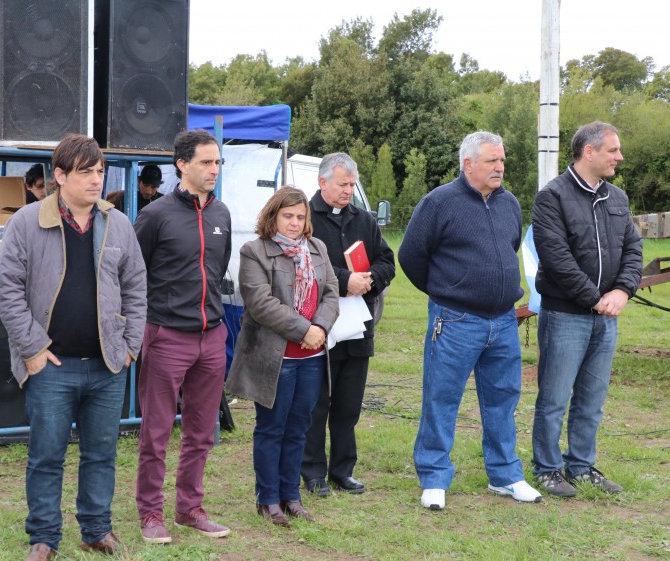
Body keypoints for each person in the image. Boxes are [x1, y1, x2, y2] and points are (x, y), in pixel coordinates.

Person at [0, 134, 147, 561]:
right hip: (50, 366)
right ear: (59, 176)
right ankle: (43, 538)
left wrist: (130, 345)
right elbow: (6, 291)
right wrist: (34, 349)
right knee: (46, 455)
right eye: (85, 172)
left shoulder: (118, 223)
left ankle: (96, 531)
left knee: (101, 452)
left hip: (107, 365)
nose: (96, 180)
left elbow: (136, 287)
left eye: (99, 171)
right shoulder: (26, 222)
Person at [398, 131, 542, 511]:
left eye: (502, 160)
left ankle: (506, 475)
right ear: (468, 164)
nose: (500, 167)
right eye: (492, 161)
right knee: (441, 398)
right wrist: (446, 290)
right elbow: (412, 256)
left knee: (503, 399)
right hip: (456, 320)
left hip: (504, 322)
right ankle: (434, 477)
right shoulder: (438, 202)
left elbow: (509, 248)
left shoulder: (509, 202)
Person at [531, 121, 642, 498]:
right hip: (565, 316)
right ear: (589, 152)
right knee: (554, 399)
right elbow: (557, 259)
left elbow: (633, 250)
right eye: (613, 150)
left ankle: (580, 465)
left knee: (592, 400)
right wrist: (595, 298)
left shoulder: (618, 198)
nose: (620, 157)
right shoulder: (553, 197)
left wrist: (623, 292)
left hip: (606, 319)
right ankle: (547, 469)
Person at [133, 129, 231, 543]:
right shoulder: (155, 215)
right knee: (156, 431)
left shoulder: (222, 214)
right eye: (206, 162)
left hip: (211, 336)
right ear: (182, 165)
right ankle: (150, 513)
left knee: (201, 431)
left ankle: (189, 508)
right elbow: (133, 275)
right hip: (166, 335)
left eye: (217, 162)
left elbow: (218, 270)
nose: (214, 169)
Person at [225, 186, 339, 527]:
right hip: (275, 358)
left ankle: (292, 496)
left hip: (312, 357)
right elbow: (260, 304)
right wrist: (304, 329)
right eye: (287, 216)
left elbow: (331, 292)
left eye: (300, 217)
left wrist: (319, 326)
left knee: (299, 429)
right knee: (272, 428)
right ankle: (268, 499)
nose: (294, 223)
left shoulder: (317, 248)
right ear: (272, 216)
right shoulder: (254, 251)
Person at [301, 152, 395, 497]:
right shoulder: (305, 217)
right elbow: (302, 265)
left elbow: (387, 259)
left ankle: (343, 470)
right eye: (343, 184)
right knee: (316, 402)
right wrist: (344, 280)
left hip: (358, 326)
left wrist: (370, 279)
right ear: (322, 181)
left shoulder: (364, 220)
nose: (348, 191)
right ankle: (312, 472)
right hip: (319, 325)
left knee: (349, 403)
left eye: (352, 185)